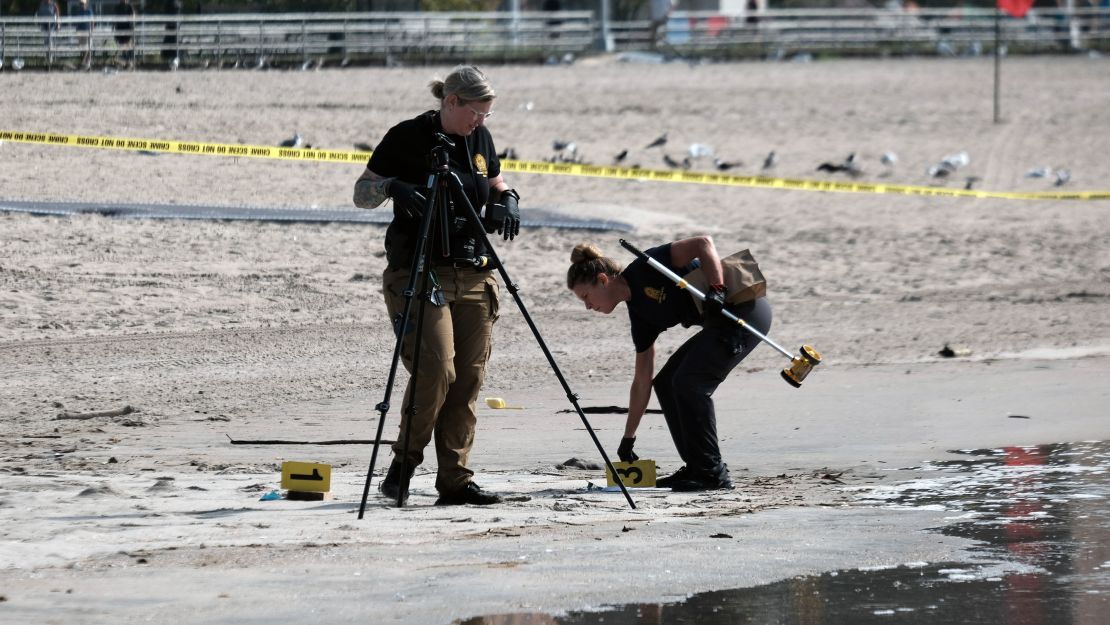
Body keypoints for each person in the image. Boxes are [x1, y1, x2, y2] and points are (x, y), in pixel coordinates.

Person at [352, 65, 522, 507]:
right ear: (451, 102)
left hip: (475, 273)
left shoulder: (480, 139)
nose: (480, 122)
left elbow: (495, 182)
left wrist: (509, 200)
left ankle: (456, 481)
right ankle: (403, 467)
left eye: (486, 114)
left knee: (468, 379)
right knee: (436, 370)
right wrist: (394, 187)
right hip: (419, 271)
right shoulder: (407, 136)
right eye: (475, 112)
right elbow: (361, 192)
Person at [566, 237, 772, 492]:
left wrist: (717, 288)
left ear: (602, 280)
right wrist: (628, 438)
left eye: (586, 297)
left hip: (745, 311)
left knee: (689, 382)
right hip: (720, 325)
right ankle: (697, 467)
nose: (587, 307)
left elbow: (703, 243)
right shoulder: (640, 316)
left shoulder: (647, 265)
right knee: (666, 382)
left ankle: (712, 472)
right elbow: (642, 381)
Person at [35, 0, 60, 66]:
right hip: (44, 24)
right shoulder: (41, 4)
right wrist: (38, 22)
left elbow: (57, 13)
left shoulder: (54, 4)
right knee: (46, 41)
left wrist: (58, 23)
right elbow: (38, 13)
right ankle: (47, 57)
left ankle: (51, 58)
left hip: (52, 25)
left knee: (50, 40)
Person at [113, 0, 136, 69]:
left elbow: (133, 16)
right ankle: (126, 62)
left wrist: (132, 25)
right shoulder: (117, 7)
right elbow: (115, 17)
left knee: (127, 45)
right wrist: (114, 26)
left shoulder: (129, 6)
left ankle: (128, 62)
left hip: (128, 28)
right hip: (119, 28)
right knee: (122, 46)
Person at [74, 0, 95, 70]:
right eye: (80, 4)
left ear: (86, 4)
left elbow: (92, 21)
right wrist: (76, 30)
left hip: (87, 31)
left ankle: (86, 63)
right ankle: (84, 62)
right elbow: (77, 22)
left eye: (83, 4)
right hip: (80, 31)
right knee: (82, 48)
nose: (81, 5)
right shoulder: (78, 12)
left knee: (87, 48)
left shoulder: (89, 11)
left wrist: (91, 30)